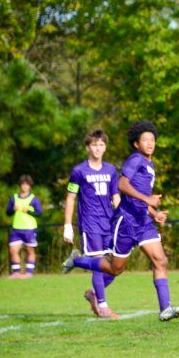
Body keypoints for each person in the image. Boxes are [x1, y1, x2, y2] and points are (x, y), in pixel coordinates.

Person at [62, 120, 179, 322]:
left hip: (143, 221)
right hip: (126, 222)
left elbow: (138, 195)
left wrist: (153, 213)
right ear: (136, 143)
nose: (150, 143)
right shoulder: (135, 159)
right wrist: (148, 200)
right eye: (145, 139)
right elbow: (122, 184)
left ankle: (165, 309)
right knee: (115, 269)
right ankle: (77, 260)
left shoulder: (149, 163)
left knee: (160, 260)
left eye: (152, 139)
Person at [63, 129, 121, 319]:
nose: (98, 148)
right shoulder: (79, 171)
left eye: (101, 144)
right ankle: (103, 306)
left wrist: (122, 220)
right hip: (90, 223)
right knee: (98, 263)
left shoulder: (111, 170)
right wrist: (68, 225)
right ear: (88, 147)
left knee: (116, 267)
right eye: (94, 145)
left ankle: (93, 291)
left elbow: (116, 197)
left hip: (109, 223)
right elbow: (71, 197)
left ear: (105, 147)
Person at [5, 175, 43, 279]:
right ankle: (16, 272)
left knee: (29, 250)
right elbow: (8, 212)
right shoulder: (14, 198)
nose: (24, 186)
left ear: (30, 186)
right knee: (13, 250)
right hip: (16, 228)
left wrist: (30, 211)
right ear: (20, 185)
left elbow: (40, 213)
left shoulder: (33, 199)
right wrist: (13, 209)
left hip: (29, 229)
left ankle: (29, 272)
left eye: (27, 184)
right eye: (23, 184)